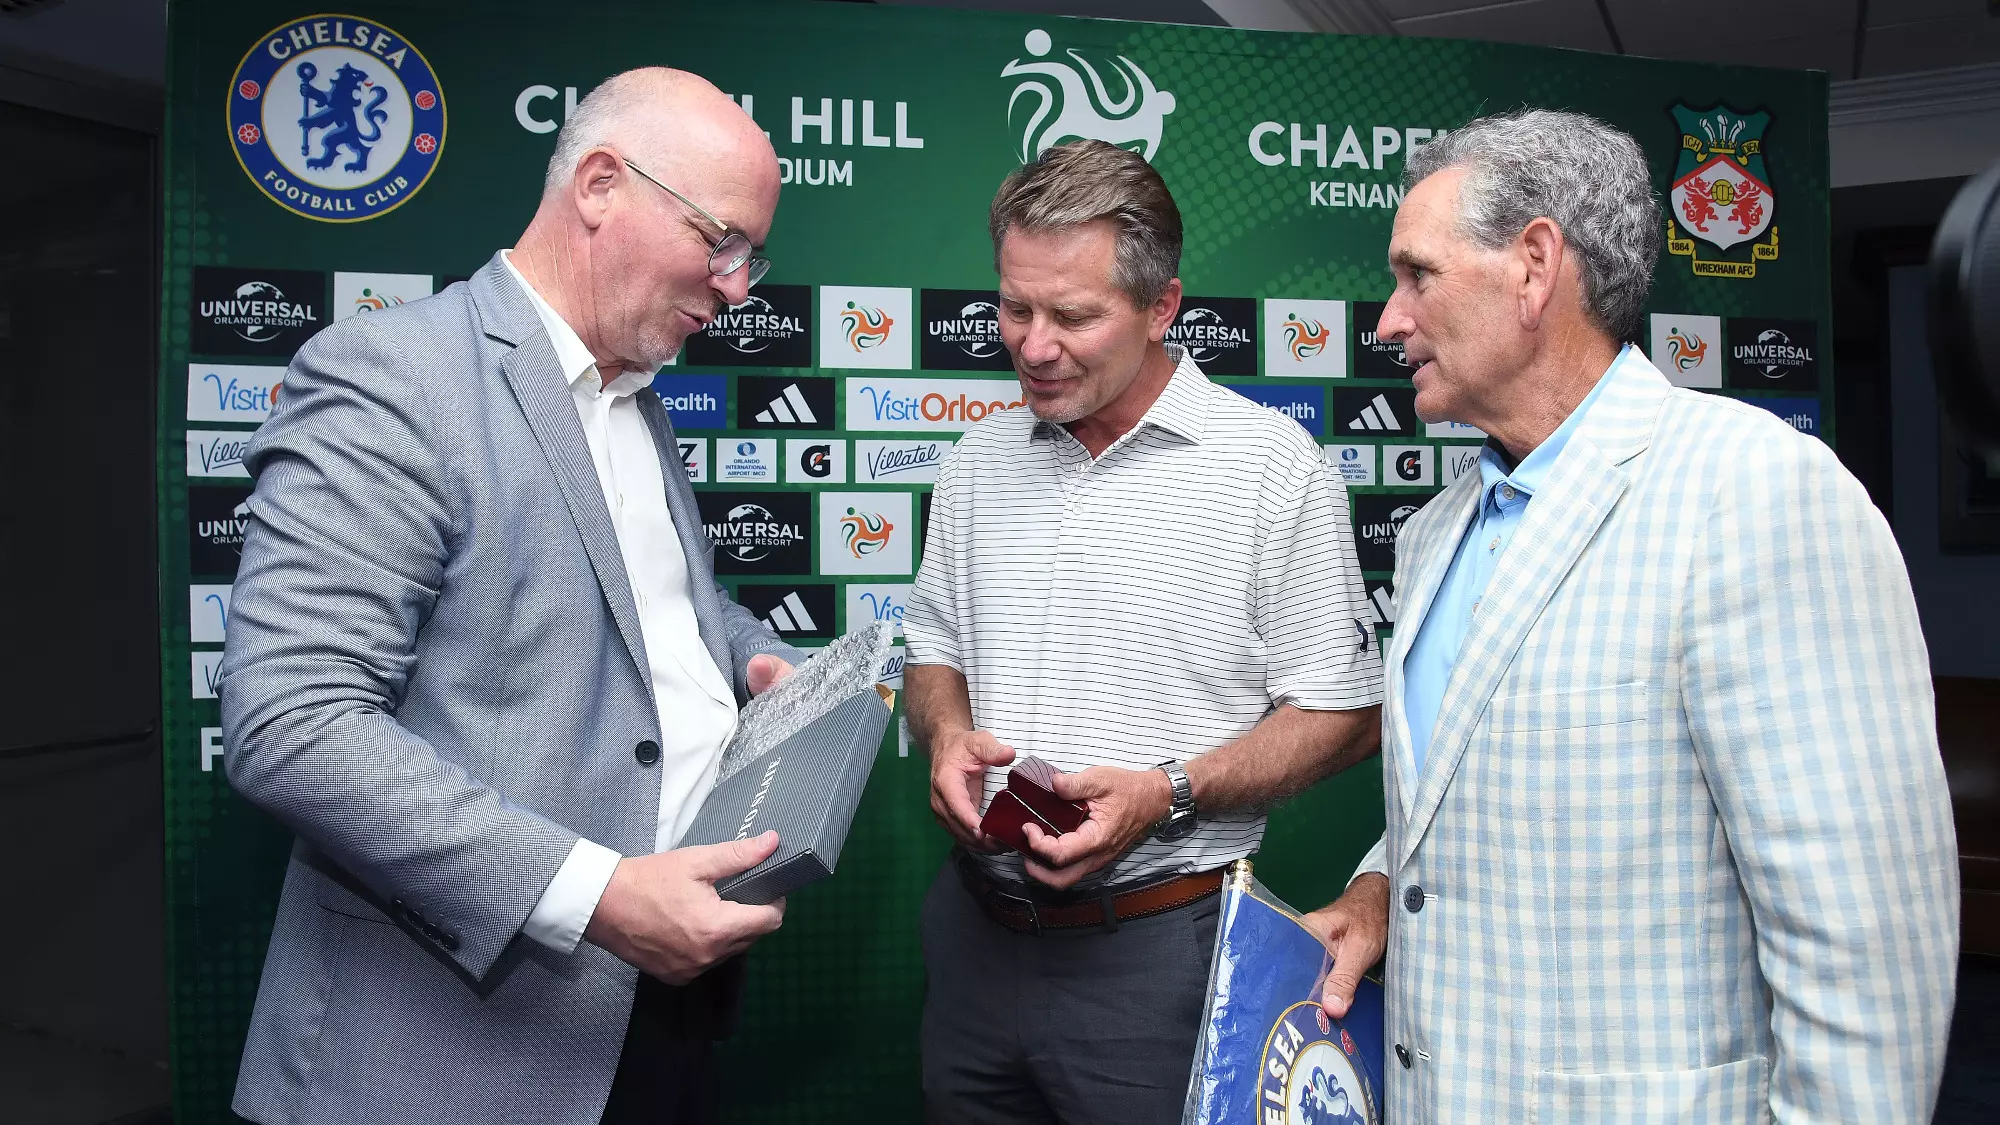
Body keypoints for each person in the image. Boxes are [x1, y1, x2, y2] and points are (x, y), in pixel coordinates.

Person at [1305, 108, 1960, 1122]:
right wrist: (1378, 888)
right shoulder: (1435, 533)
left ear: (1532, 266)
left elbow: (1865, 946)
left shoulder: (1755, 493)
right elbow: (1464, 797)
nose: (1386, 320)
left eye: (1416, 275)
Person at [219, 69, 806, 1125]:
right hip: (447, 1052)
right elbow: (292, 723)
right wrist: (595, 895)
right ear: (597, 186)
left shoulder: (634, 391)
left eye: (749, 257)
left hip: (654, 1011)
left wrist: (753, 661)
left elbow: (650, 610)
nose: (736, 288)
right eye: (721, 242)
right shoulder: (392, 379)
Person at [902, 139, 1384, 1125]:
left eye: (1072, 316)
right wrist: (946, 731)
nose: (1032, 344)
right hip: (973, 943)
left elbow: (1342, 715)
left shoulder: (1270, 469)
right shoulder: (975, 461)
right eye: (1014, 307)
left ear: (1161, 307)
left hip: (1159, 960)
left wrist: (1164, 794)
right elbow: (932, 649)